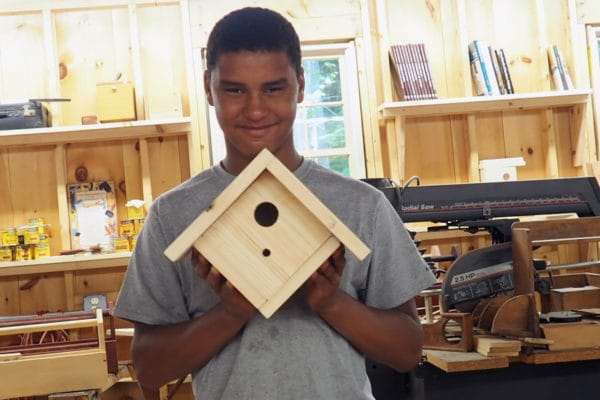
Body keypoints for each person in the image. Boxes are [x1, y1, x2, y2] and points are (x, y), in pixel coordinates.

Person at [113, 6, 436, 400]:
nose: (255, 109)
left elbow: (407, 351)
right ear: (208, 89)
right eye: (234, 89)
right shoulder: (172, 215)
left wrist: (330, 301)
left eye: (273, 88)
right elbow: (148, 367)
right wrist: (231, 311)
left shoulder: (361, 206)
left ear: (300, 84)